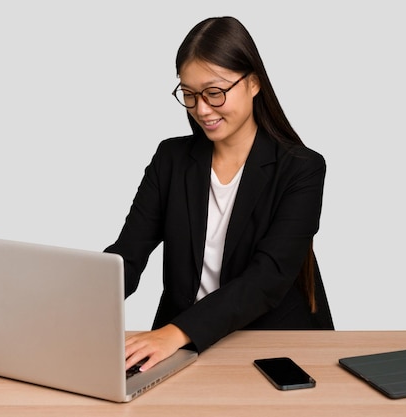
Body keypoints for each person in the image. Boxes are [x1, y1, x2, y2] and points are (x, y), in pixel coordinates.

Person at [104, 16, 334, 372]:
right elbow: (128, 256)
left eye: (215, 93)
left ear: (254, 82)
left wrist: (178, 331)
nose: (202, 109)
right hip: (181, 350)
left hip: (270, 345)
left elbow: (267, 279)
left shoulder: (301, 169)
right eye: (189, 95)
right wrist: (77, 309)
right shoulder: (171, 159)